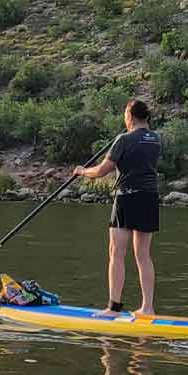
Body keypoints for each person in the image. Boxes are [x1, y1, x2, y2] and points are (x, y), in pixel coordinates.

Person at [73, 98, 161, 317]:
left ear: (129, 116)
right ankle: (148, 307)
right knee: (143, 255)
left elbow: (102, 170)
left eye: (125, 114)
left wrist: (82, 171)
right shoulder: (157, 139)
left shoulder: (123, 139)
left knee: (116, 253)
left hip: (127, 198)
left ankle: (113, 308)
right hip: (150, 198)